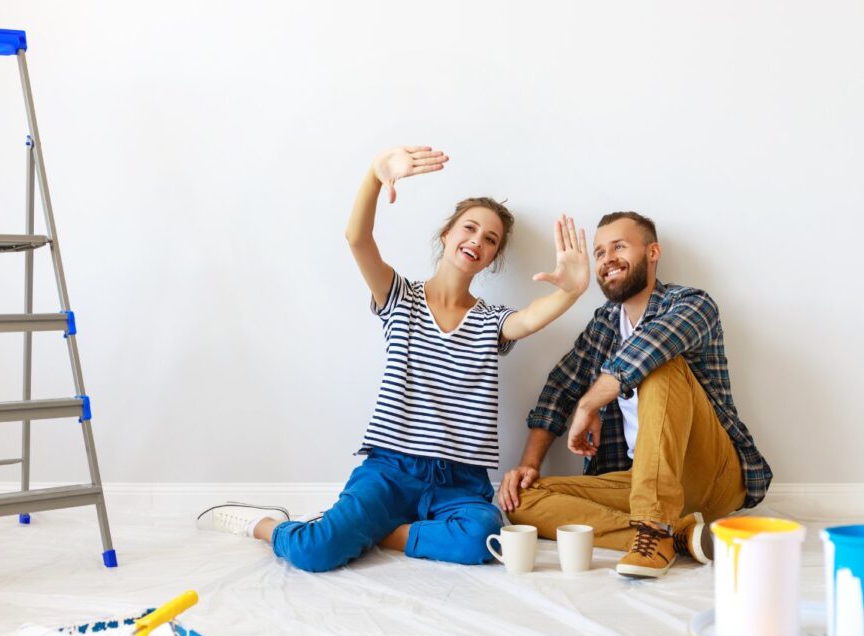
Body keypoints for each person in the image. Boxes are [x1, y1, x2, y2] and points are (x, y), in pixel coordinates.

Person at [197, 145, 590, 571]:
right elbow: (357, 239)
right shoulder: (401, 297)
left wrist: (571, 290)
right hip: (390, 470)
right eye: (469, 228)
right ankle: (268, 526)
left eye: (490, 239)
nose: (477, 240)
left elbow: (530, 319)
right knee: (314, 552)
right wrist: (373, 175)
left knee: (484, 538)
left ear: (493, 257)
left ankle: (375, 531)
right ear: (447, 234)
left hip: (460, 481)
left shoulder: (491, 321)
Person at [498, 211, 772, 578]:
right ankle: (671, 535)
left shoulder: (692, 303)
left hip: (712, 475)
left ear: (652, 252)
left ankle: (655, 526)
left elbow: (652, 346)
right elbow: (559, 389)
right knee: (520, 501)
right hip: (643, 481)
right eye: (599, 252)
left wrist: (591, 401)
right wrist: (528, 465)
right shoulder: (604, 324)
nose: (607, 258)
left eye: (619, 246)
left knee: (660, 366)